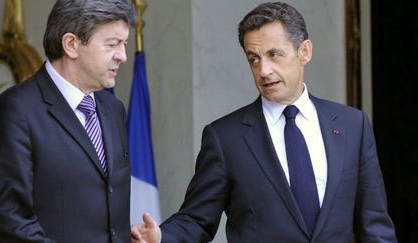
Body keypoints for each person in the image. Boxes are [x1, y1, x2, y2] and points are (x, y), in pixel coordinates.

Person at [131, 1, 398, 243]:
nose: (264, 70)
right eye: (254, 59)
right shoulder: (225, 138)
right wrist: (162, 237)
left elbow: (375, 226)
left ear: (304, 51)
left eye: (274, 55)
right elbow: (197, 219)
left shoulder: (353, 125)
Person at [0, 0, 135, 242]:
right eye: (112, 44)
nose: (123, 56)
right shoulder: (15, 111)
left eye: (125, 44)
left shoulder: (113, 109)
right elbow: (7, 220)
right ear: (71, 44)